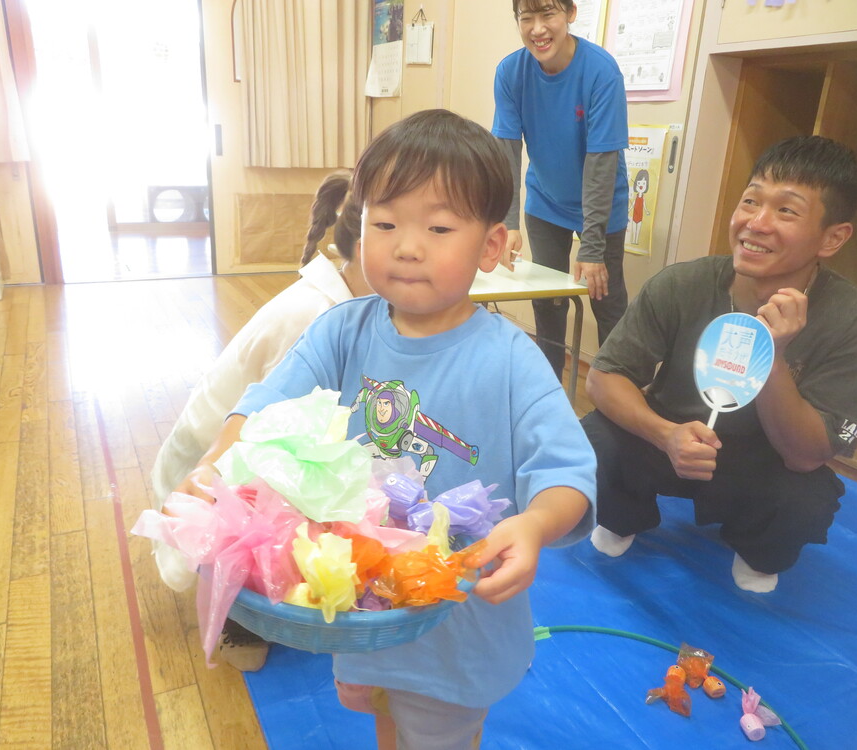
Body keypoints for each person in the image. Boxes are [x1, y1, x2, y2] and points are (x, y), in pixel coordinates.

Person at [176, 109, 596, 749]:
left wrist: (536, 525)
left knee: (439, 729)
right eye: (386, 222)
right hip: (364, 602)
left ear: (490, 246)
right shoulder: (341, 330)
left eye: (438, 226)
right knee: (380, 709)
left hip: (458, 618)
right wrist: (216, 462)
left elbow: (567, 472)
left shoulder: (512, 358)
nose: (406, 244)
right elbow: (264, 403)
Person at [581, 135, 857, 594]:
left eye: (786, 210)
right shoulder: (682, 284)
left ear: (833, 238)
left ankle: (757, 548)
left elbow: (808, 454)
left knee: (807, 498)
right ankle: (624, 516)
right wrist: (666, 435)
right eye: (750, 201)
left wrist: (774, 357)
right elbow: (604, 376)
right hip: (673, 437)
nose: (756, 223)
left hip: (766, 462)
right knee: (597, 437)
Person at [150, 169, 371, 599]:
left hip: (233, 445)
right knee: (245, 557)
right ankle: (238, 617)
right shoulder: (314, 313)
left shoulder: (344, 299)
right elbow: (271, 432)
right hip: (211, 454)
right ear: (364, 248)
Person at [492, 0, 630, 380]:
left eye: (548, 14)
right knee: (547, 301)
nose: (538, 28)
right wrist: (507, 221)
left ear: (570, 13)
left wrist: (593, 245)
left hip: (602, 205)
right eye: (527, 17)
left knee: (606, 298)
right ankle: (549, 388)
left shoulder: (601, 71)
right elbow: (506, 150)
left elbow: (602, 162)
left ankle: (618, 387)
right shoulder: (510, 72)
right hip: (546, 203)